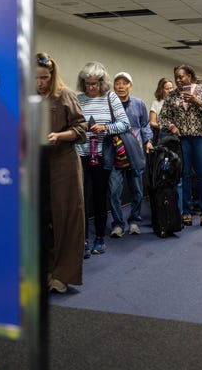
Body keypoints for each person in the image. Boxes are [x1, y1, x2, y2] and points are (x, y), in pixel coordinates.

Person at [35, 52, 87, 293]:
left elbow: (81, 129)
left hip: (63, 164)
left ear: (52, 75)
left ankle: (62, 274)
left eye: (44, 78)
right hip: (37, 164)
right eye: (36, 78)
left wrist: (60, 136)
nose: (40, 83)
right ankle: (45, 269)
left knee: (65, 219)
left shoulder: (65, 95)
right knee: (40, 220)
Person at [76, 61, 130, 256]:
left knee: (99, 198)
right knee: (81, 199)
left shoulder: (111, 97)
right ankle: (82, 240)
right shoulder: (78, 99)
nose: (91, 87)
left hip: (102, 155)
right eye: (87, 83)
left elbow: (125, 124)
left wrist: (105, 128)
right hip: (80, 154)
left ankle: (99, 238)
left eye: (94, 84)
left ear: (101, 82)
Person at [158, 64, 202, 227]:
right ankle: (186, 211)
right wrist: (172, 126)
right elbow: (162, 118)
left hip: (200, 138)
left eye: (181, 77)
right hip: (182, 139)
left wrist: (195, 100)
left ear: (190, 77)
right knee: (184, 175)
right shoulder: (172, 96)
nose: (178, 80)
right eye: (176, 77)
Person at [109, 72, 153, 238]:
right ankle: (118, 224)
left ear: (130, 86)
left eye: (124, 83)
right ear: (113, 86)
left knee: (137, 190)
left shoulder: (139, 103)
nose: (121, 86)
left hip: (135, 151)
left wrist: (148, 140)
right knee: (114, 191)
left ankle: (135, 220)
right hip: (115, 153)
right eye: (117, 83)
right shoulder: (109, 105)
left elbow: (145, 124)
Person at [149, 77, 173, 144]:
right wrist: (165, 126)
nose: (170, 90)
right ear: (161, 90)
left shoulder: (176, 102)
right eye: (167, 89)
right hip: (162, 134)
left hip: (175, 134)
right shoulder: (156, 103)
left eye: (171, 88)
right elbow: (152, 122)